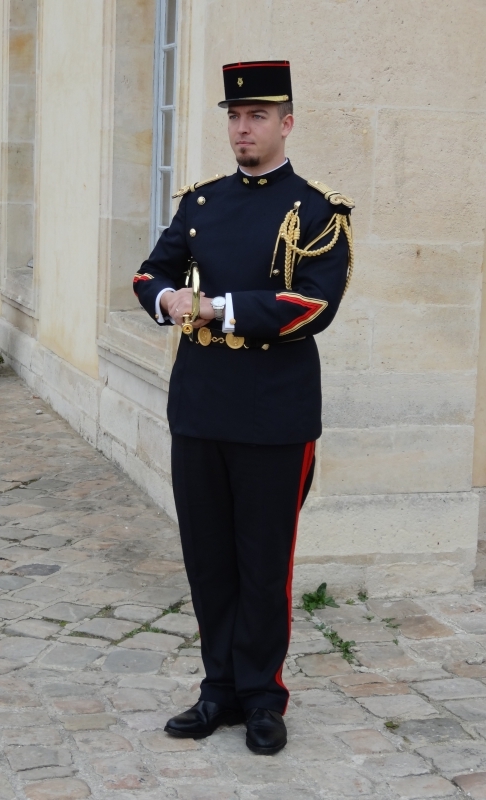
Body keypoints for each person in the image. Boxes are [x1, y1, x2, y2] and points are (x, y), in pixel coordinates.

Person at [132, 60, 353, 755]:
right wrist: (167, 301)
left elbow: (313, 303)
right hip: (199, 404)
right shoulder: (200, 204)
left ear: (286, 123)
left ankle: (263, 694)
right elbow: (151, 271)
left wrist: (220, 307)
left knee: (264, 562)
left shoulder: (316, 210)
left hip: (273, 414)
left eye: (256, 116)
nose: (242, 128)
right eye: (233, 116)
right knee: (208, 558)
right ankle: (218, 688)